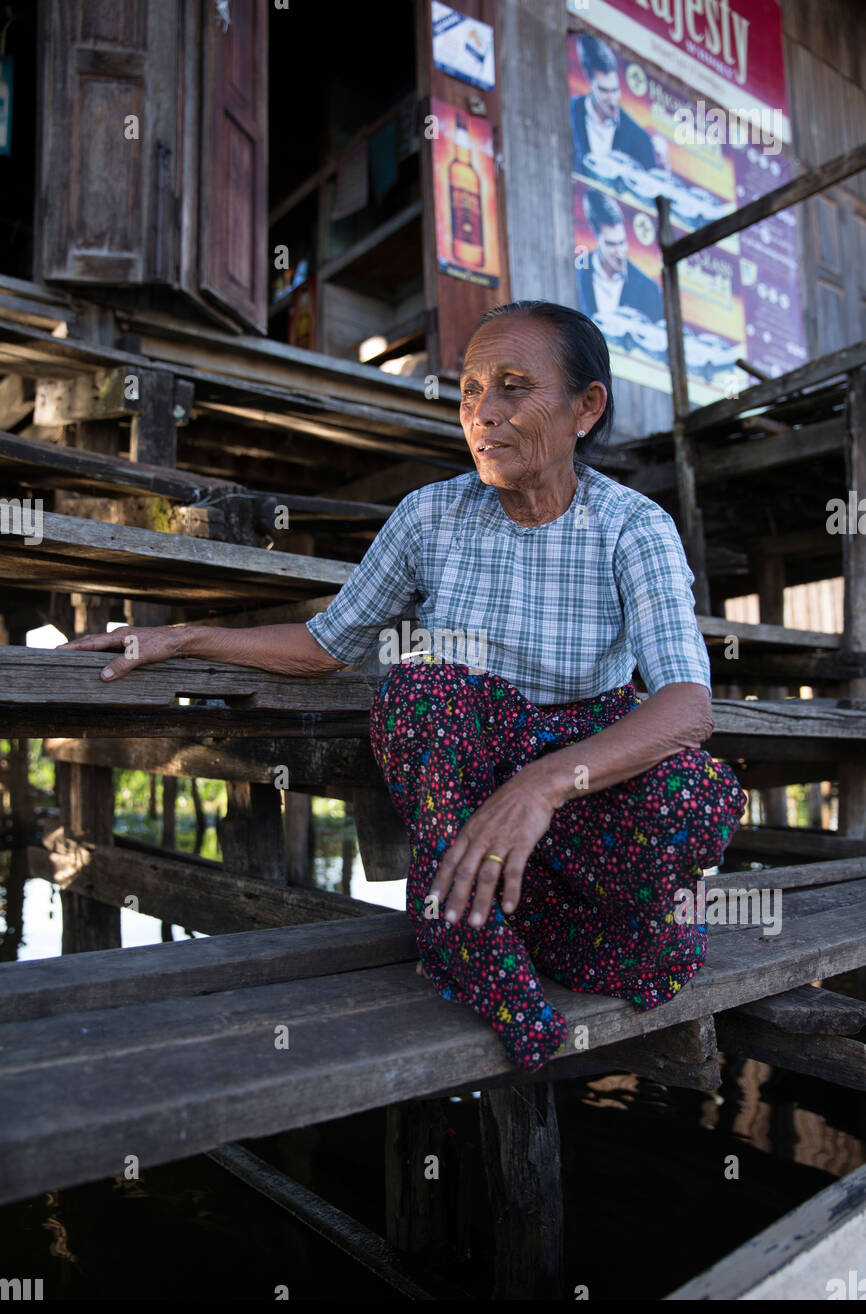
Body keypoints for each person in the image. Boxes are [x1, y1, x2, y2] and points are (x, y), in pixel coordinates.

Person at [59, 302, 746, 1075]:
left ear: (585, 408)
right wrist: (184, 636)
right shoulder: (430, 516)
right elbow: (327, 645)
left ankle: (532, 918)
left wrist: (543, 785)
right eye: (470, 391)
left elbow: (687, 706)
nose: (483, 414)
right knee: (424, 688)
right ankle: (467, 937)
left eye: (514, 387)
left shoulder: (632, 527)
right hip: (470, 764)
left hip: (578, 767)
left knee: (696, 799)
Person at [571, 34, 657, 173]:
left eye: (615, 90)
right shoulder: (571, 114)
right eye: (604, 91)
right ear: (589, 82)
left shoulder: (639, 138)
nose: (612, 99)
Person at [577, 190, 664, 322]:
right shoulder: (578, 272)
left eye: (622, 242)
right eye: (611, 244)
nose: (619, 252)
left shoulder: (648, 289)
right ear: (597, 239)